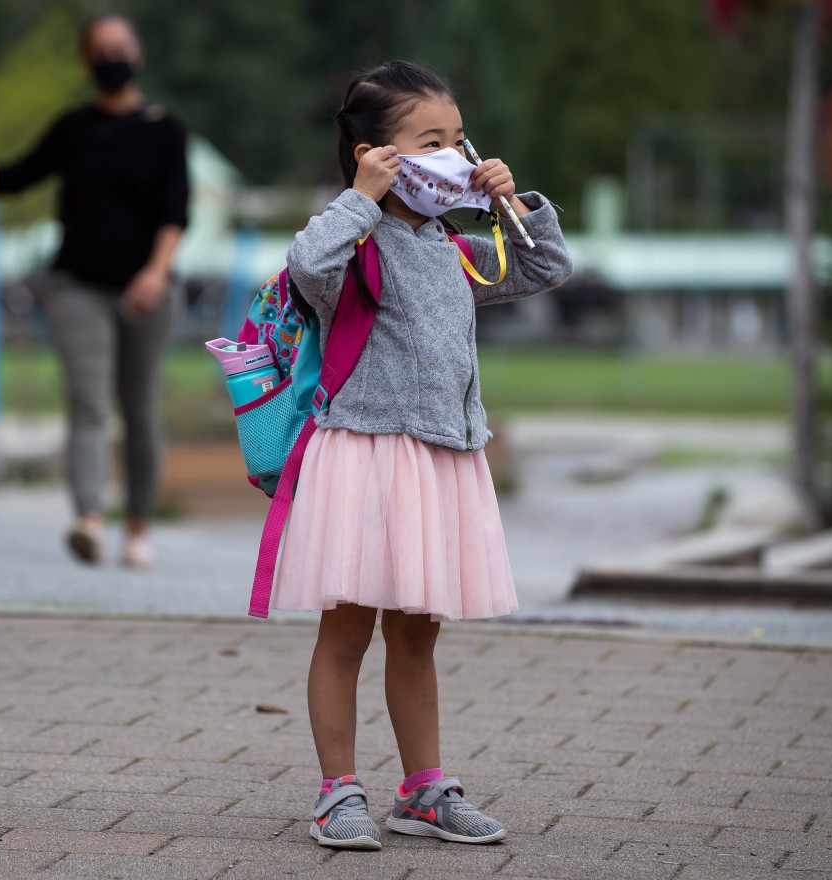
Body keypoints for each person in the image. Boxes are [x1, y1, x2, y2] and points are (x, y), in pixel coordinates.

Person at [273, 61, 573, 850]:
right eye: (429, 142)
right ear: (376, 153)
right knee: (347, 631)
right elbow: (306, 266)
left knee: (416, 634)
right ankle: (338, 793)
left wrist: (512, 200)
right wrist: (361, 196)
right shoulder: (356, 242)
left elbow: (545, 265)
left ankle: (424, 790)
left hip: (441, 459)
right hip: (365, 455)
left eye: (458, 139)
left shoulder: (452, 246)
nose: (452, 155)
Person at [0, 14, 189, 568]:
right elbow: (13, 176)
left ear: (139, 55)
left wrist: (154, 272)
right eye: (101, 50)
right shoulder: (74, 128)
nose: (112, 58)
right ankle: (89, 518)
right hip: (78, 285)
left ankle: (139, 528)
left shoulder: (165, 129)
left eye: (121, 47)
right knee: (87, 404)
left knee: (141, 410)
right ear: (86, 61)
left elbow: (176, 211)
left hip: (150, 289)